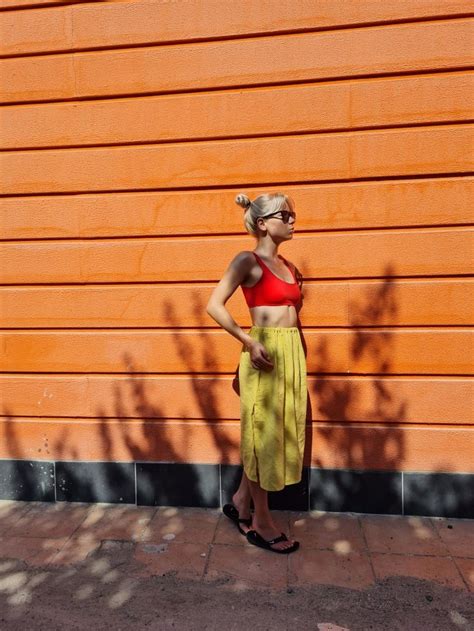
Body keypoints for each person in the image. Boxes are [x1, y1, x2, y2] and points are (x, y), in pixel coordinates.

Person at [206, 192, 307, 554]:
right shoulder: (246, 261)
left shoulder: (289, 266)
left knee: (277, 433)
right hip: (262, 354)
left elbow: (293, 317)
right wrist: (247, 342)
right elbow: (214, 306)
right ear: (263, 223)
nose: (294, 220)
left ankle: (239, 501)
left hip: (290, 356)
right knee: (261, 437)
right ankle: (261, 522)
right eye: (286, 214)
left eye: (294, 214)